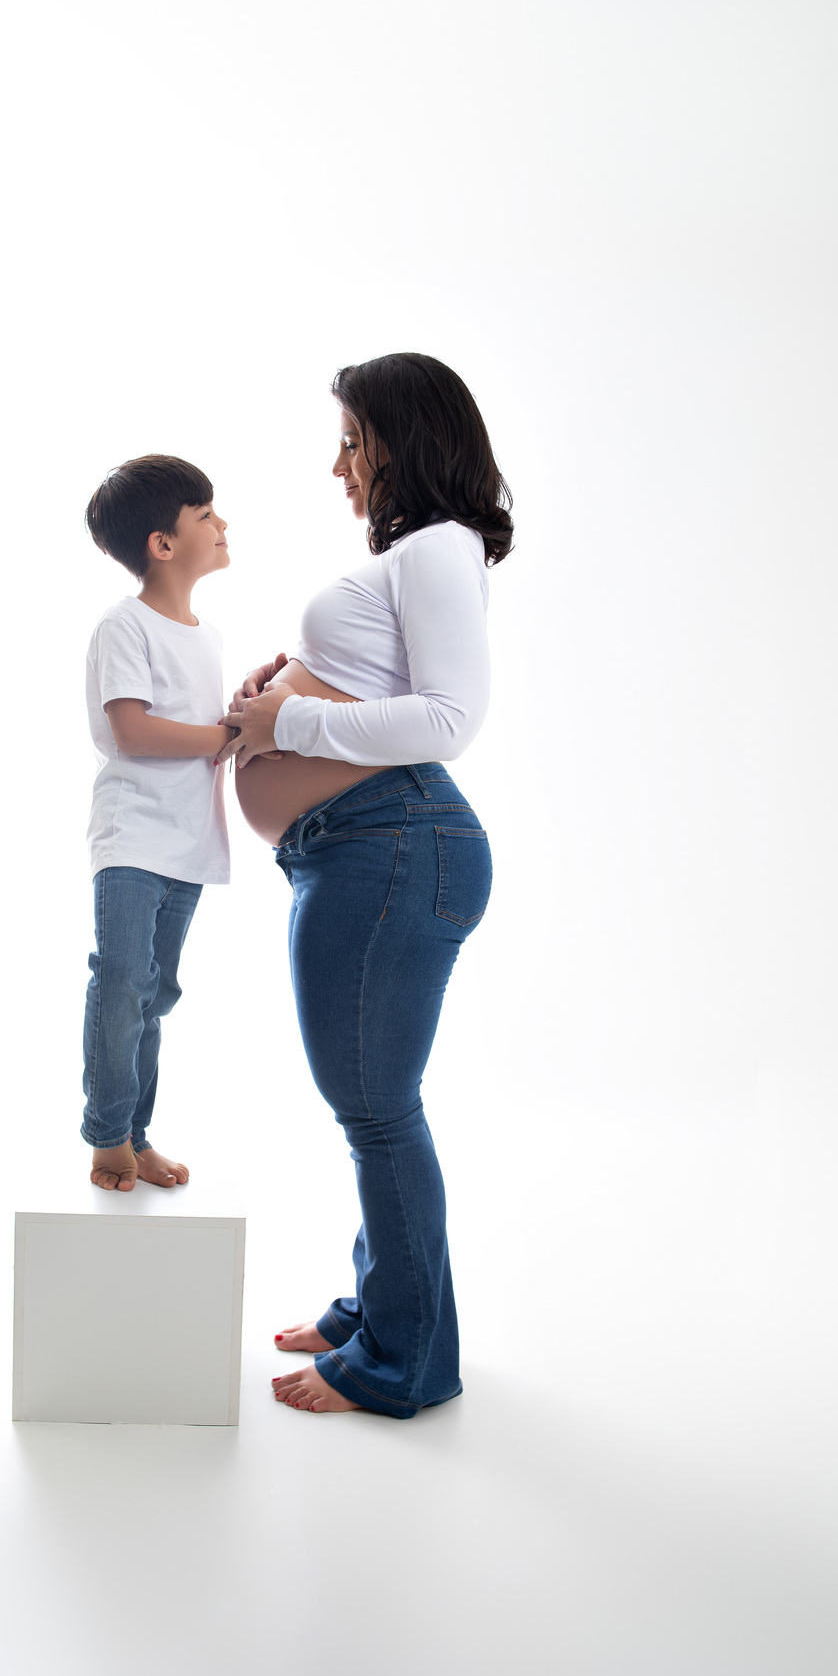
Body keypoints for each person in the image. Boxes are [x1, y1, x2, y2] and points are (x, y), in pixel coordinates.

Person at [219, 353, 513, 1416]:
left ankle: (405, 1363)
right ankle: (382, 1309)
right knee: (372, 1108)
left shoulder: (436, 547)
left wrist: (288, 719)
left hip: (389, 846)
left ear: (406, 442)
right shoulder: (417, 558)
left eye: (355, 441)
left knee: (378, 1111)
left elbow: (449, 720)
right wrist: (279, 697)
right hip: (363, 845)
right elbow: (378, 692)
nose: (340, 464)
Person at [80, 454, 235, 1192]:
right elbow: (134, 731)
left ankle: (136, 1135)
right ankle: (108, 1136)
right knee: (122, 983)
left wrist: (245, 709)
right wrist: (224, 736)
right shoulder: (124, 625)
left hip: (188, 843)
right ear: (162, 544)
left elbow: (203, 727)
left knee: (155, 995)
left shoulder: (206, 637)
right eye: (205, 514)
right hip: (134, 838)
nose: (222, 523)